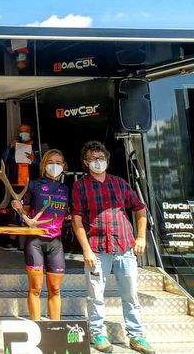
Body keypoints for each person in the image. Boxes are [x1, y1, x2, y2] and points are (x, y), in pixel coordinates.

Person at [71, 141, 155, 354]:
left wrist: (141, 237)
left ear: (107, 160)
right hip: (96, 250)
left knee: (130, 295)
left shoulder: (119, 183)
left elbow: (140, 209)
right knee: (95, 295)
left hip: (125, 248)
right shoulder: (80, 186)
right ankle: (97, 333)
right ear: (85, 162)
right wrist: (86, 249)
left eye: (101, 158)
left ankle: (136, 336)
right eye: (93, 159)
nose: (98, 162)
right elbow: (76, 219)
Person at [11, 149, 69, 321]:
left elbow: (72, 213)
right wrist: (18, 208)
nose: (54, 166)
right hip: (35, 241)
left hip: (56, 243)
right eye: (51, 162)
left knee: (55, 289)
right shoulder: (34, 185)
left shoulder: (66, 189)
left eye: (58, 163)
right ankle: (36, 326)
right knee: (35, 288)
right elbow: (25, 211)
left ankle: (55, 327)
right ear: (43, 165)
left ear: (64, 166)